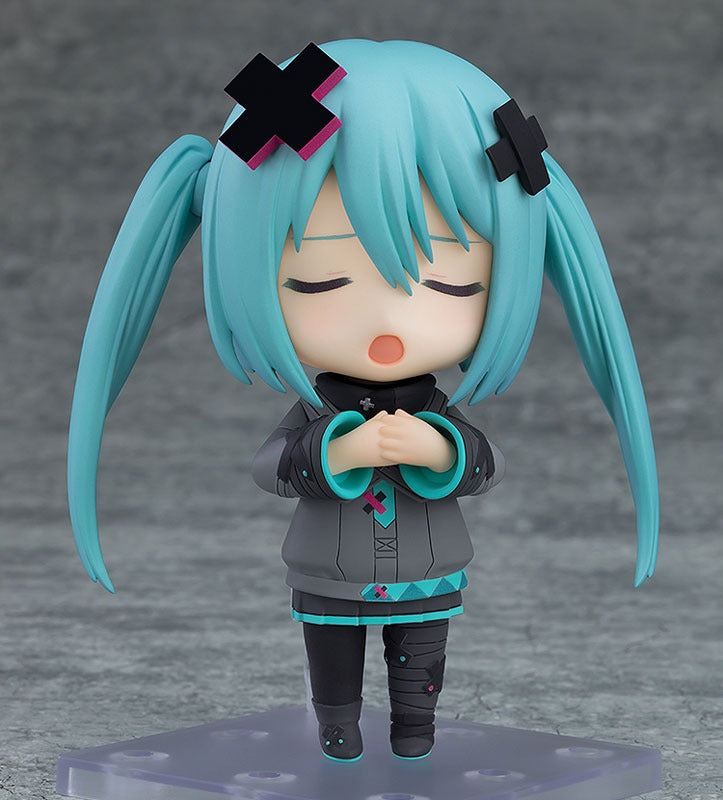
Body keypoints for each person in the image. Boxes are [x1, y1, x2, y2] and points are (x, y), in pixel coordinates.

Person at [68, 39, 659, 763]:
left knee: (421, 666)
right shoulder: (316, 415)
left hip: (428, 568)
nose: (387, 324)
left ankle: (416, 730)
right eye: (319, 283)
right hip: (329, 572)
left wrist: (441, 450)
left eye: (450, 285)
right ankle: (337, 729)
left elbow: (488, 465)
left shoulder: (437, 411)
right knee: (333, 665)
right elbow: (269, 467)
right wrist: (335, 453)